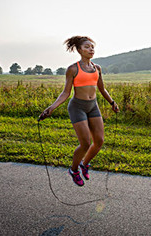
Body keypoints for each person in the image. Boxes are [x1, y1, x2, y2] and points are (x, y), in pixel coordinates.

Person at [38, 36, 119, 186]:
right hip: (77, 107)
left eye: (92, 47)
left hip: (93, 106)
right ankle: (74, 170)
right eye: (87, 47)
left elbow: (102, 89)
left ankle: (84, 164)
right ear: (79, 50)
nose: (91, 49)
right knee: (85, 144)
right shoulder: (73, 69)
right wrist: (51, 108)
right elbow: (65, 93)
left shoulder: (97, 68)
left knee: (99, 141)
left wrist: (112, 102)